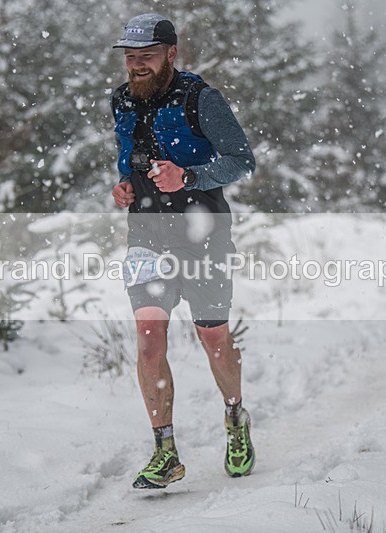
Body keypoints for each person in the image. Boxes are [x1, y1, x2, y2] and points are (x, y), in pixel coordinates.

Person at [109, 13, 256, 489]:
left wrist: (188, 178)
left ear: (171, 53)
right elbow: (126, 155)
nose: (137, 67)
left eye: (147, 57)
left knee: (212, 336)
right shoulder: (121, 100)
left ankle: (235, 418)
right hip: (147, 233)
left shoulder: (201, 99)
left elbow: (241, 160)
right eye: (131, 58)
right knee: (149, 335)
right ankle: (165, 452)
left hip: (204, 233)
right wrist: (123, 187)